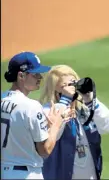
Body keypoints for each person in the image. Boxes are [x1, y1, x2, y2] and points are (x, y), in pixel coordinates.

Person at [39, 65, 109, 180]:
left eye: (73, 83)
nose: (72, 88)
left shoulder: (85, 109)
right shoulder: (48, 110)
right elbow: (50, 135)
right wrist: (65, 100)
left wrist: (91, 101)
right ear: (55, 89)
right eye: (65, 85)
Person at [1, 51, 66, 179]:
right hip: (26, 174)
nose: (40, 78)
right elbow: (44, 150)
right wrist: (56, 124)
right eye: (35, 74)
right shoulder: (31, 106)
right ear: (21, 76)